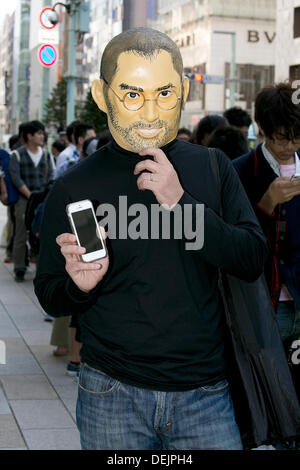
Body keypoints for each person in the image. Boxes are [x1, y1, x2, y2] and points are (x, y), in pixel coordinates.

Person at [34, 28, 299, 450]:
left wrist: (181, 203)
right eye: (133, 95)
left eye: (164, 93)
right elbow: (50, 293)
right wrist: (79, 287)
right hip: (110, 393)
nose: (151, 112)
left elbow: (250, 258)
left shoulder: (212, 168)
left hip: (205, 393)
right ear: (103, 97)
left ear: (184, 89)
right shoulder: (74, 187)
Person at [233, 83, 300, 344]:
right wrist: (266, 205)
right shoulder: (239, 172)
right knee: (269, 379)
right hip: (264, 302)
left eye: (297, 138)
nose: (290, 146)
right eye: (282, 138)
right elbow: (235, 245)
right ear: (262, 128)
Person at [8, 120, 54, 282]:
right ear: (29, 136)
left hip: (42, 200)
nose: (43, 137)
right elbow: (16, 178)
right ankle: (19, 267)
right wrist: (29, 195)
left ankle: (41, 267)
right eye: (39, 133)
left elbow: (51, 177)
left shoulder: (47, 155)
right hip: (23, 200)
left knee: (43, 233)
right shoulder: (17, 155)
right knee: (21, 233)